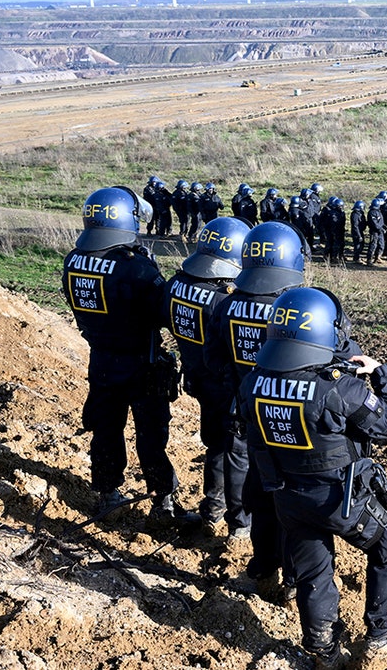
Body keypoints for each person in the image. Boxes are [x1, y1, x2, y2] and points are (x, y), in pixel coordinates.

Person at [238, 287, 387, 670]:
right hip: (340, 499)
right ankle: (379, 641)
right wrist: (381, 373)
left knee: (315, 574)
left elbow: (254, 442)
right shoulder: (338, 387)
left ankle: (324, 652)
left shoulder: (253, 382)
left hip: (288, 498)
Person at [61, 186, 198, 528]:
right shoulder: (135, 267)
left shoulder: (74, 259)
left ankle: (108, 494)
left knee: (106, 429)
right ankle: (163, 500)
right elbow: (163, 312)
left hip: (102, 360)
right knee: (151, 435)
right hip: (141, 363)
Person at [205, 221, 309, 604]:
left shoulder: (226, 304)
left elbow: (212, 359)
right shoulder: (297, 309)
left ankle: (263, 568)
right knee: (295, 501)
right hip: (292, 417)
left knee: (261, 493)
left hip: (248, 413)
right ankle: (294, 579)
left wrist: (241, 387)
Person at [164, 216, 253, 538]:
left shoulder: (177, 284)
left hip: (197, 379)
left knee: (215, 446)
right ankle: (240, 524)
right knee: (238, 453)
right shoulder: (225, 298)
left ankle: (212, 510)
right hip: (227, 385)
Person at [317, 197, 346, 263]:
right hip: (332, 230)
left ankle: (339, 255)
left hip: (340, 230)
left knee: (340, 243)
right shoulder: (332, 213)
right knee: (331, 244)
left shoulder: (340, 212)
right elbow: (332, 223)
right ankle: (330, 256)